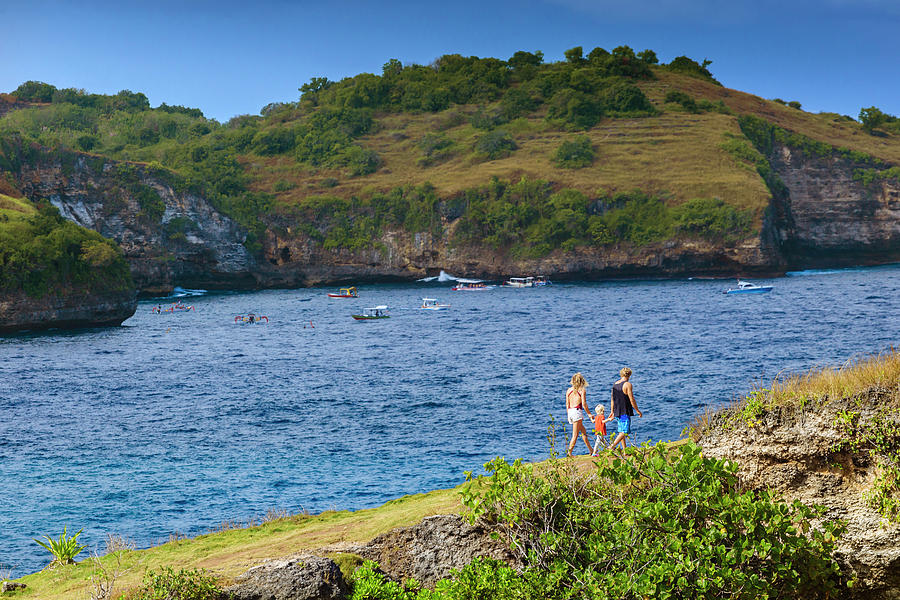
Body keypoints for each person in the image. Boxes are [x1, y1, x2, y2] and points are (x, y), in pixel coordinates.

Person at [608, 367, 642, 452]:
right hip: (624, 410)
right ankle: (612, 446)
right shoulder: (627, 384)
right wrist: (637, 410)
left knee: (621, 431)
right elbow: (632, 399)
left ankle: (625, 450)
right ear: (629, 375)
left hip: (617, 410)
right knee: (624, 431)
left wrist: (612, 411)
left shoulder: (615, 384)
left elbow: (612, 399)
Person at [565, 372, 593, 456]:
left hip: (570, 411)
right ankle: (569, 453)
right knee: (575, 435)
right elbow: (584, 404)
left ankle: (591, 450)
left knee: (583, 432)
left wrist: (568, 415)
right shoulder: (582, 391)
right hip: (577, 412)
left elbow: (567, 403)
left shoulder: (568, 390)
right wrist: (589, 414)